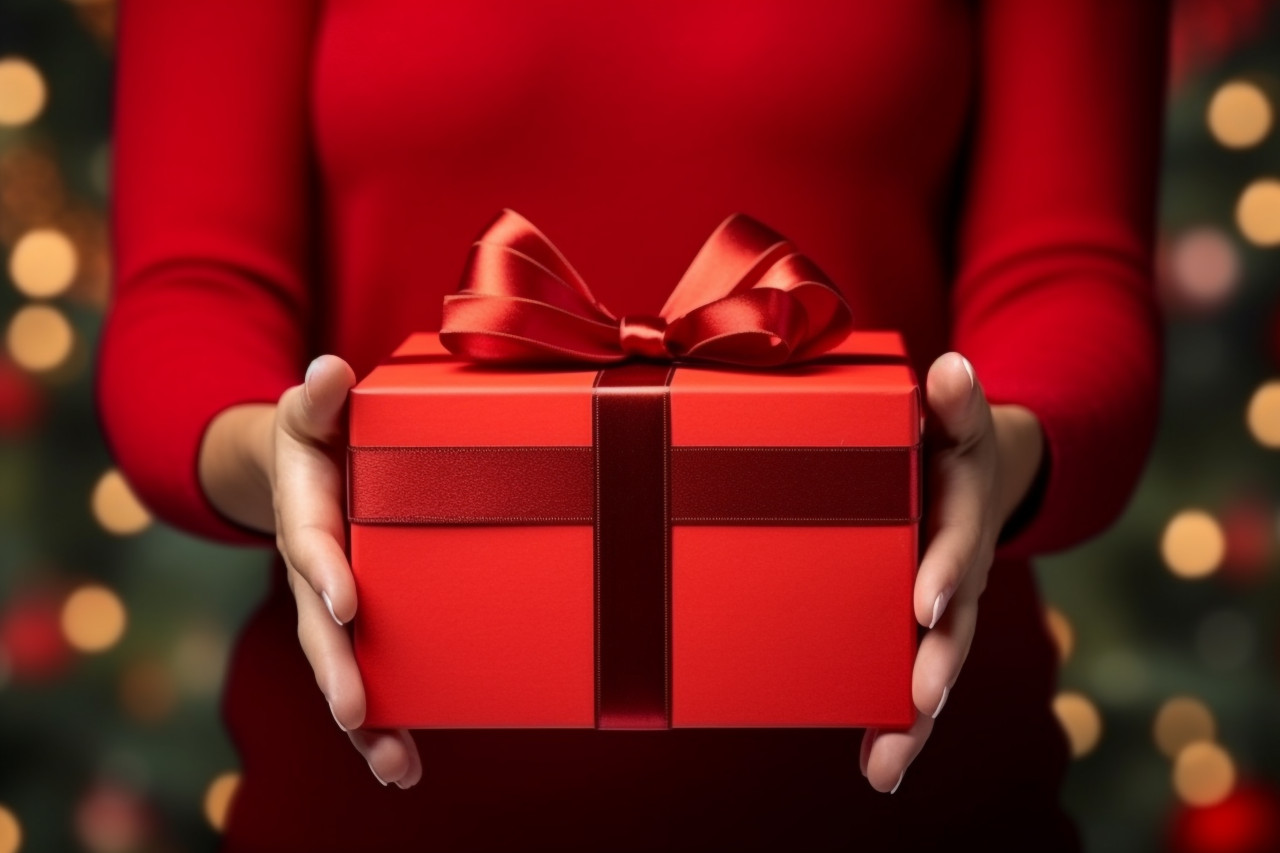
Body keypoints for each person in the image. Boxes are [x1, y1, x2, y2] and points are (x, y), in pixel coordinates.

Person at [98, 1, 1168, 850]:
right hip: (368, 810)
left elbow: (1067, 271)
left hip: (917, 802)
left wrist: (1001, 449)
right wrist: (271, 455)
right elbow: (191, 293)